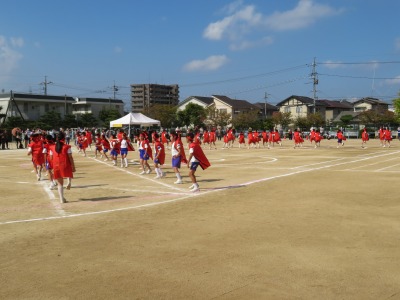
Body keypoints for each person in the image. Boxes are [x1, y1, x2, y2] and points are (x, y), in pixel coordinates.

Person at [49, 131, 76, 203]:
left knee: (60, 183)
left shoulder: (52, 147)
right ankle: (69, 182)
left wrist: (52, 168)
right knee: (69, 171)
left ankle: (61, 199)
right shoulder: (67, 147)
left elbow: (51, 158)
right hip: (65, 164)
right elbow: (70, 157)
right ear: (64, 138)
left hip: (56, 165)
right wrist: (73, 166)